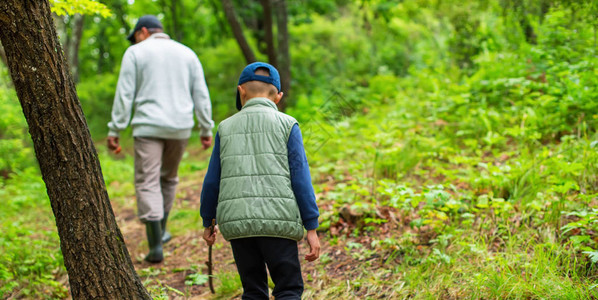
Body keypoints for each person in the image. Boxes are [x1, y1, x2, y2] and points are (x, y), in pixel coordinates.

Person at [200, 62, 320, 299]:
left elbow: (212, 180)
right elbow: (301, 178)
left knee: (253, 291)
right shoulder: (288, 125)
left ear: (240, 91)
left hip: (238, 224)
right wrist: (311, 226)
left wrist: (208, 220)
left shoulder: (225, 128)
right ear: (278, 97)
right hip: (279, 222)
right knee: (288, 289)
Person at [107, 15, 214, 263]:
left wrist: (115, 129)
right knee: (168, 178)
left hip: (148, 127)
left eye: (135, 36)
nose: (134, 41)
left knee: (147, 181)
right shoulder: (187, 53)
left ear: (143, 31)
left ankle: (155, 245)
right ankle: (162, 230)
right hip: (180, 128)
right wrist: (205, 128)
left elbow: (125, 93)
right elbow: (201, 93)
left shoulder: (136, 53)